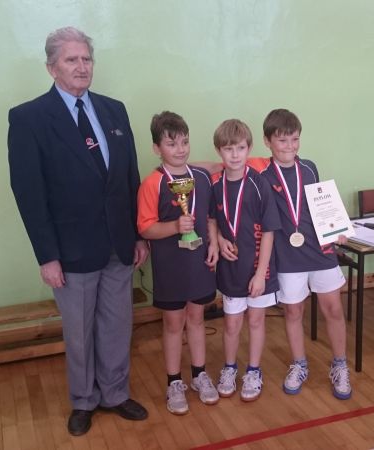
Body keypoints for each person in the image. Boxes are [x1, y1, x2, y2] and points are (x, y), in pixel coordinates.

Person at [7, 27, 149, 436]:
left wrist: (139, 234)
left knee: (116, 326)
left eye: (86, 58)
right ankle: (84, 400)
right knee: (80, 333)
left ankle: (115, 393)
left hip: (119, 244)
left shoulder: (114, 110)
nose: (82, 66)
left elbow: (130, 178)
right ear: (51, 67)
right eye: (72, 60)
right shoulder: (29, 118)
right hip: (69, 250)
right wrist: (46, 256)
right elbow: (29, 193)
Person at [220, 109, 352, 400]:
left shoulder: (310, 168)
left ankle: (340, 365)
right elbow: (222, 163)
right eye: (282, 140)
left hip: (320, 250)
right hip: (287, 258)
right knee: (293, 312)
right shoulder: (259, 172)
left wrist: (336, 229)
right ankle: (299, 364)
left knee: (333, 309)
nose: (290, 146)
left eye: (294, 139)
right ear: (267, 142)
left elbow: (322, 206)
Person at [137, 111, 220, 415]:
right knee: (174, 323)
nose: (180, 149)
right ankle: (174, 382)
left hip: (199, 260)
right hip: (170, 264)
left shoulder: (202, 177)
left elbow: (210, 216)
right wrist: (174, 227)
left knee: (197, 318)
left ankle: (199, 374)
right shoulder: (153, 183)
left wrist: (214, 244)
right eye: (171, 144)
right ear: (156, 148)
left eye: (184, 142)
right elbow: (146, 228)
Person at [210, 119, 281, 402]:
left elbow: (270, 231)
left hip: (258, 269)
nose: (235, 154)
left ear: (249, 148)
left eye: (240, 148)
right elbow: (212, 219)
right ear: (219, 151)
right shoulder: (216, 185)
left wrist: (261, 273)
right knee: (231, 324)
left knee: (256, 320)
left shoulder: (259, 183)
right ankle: (229, 368)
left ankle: (253, 370)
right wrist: (218, 240)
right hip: (231, 269)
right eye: (228, 149)